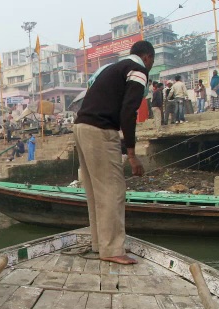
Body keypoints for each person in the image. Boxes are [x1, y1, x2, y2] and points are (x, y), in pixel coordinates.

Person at [73, 40, 154, 265]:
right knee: (112, 190)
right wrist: (131, 153)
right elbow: (129, 111)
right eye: (152, 63)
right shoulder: (138, 71)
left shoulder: (112, 69)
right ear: (147, 58)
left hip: (81, 127)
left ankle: (100, 244)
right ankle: (112, 249)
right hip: (99, 129)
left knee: (95, 191)